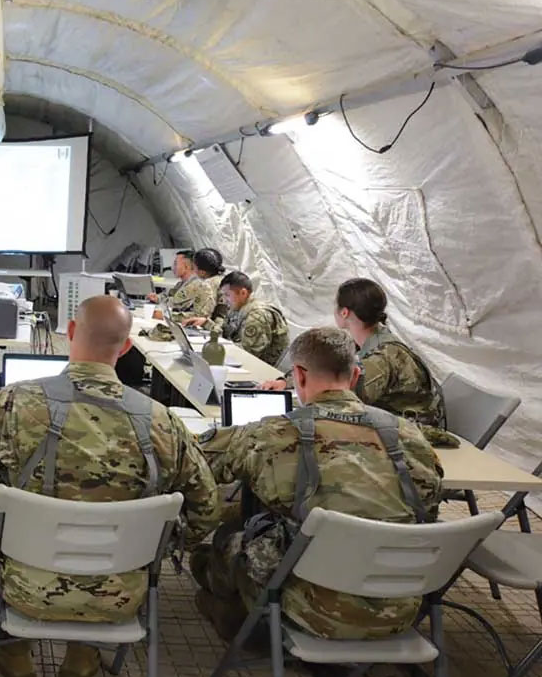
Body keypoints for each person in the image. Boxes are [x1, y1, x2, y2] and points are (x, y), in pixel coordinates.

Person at [0, 295, 221, 677]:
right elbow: (207, 510)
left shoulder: (12, 403)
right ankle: (84, 653)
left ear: (72, 333)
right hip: (121, 593)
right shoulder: (162, 421)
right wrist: (157, 547)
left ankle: (11, 648)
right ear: (127, 347)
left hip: (25, 586)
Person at [191, 327, 443, 642]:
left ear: (298, 375)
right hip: (401, 606)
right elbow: (428, 507)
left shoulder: (273, 434)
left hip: (315, 609)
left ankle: (243, 617)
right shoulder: (409, 436)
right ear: (355, 376)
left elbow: (198, 464)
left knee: (226, 540)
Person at [261, 278, 446, 433]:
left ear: (344, 312)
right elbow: (325, 367)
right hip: (391, 429)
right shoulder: (368, 342)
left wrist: (287, 399)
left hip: (410, 436)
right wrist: (286, 382)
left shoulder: (382, 357)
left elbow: (338, 399)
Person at [185, 270, 288, 366]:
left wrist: (214, 349)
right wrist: (205, 323)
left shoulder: (257, 315)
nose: (224, 300)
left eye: (227, 295)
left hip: (258, 369)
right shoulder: (238, 307)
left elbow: (247, 353)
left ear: (243, 293)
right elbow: (226, 330)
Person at [146, 249, 214, 320]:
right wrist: (157, 297)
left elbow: (175, 303)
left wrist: (158, 299)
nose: (172, 267)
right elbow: (169, 295)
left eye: (176, 263)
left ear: (187, 266)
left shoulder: (196, 284)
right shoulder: (181, 284)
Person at [194, 247, 229, 325]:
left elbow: (201, 315)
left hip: (217, 328)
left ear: (202, 272)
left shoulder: (207, 284)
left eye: (195, 266)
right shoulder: (225, 278)